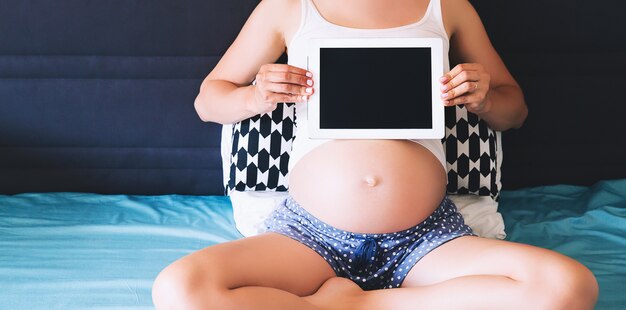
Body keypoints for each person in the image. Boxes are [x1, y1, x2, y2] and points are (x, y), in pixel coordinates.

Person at [152, 0, 599, 309]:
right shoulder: (289, 6)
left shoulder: (446, 6)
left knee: (569, 288)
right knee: (180, 289)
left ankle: (364, 305)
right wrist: (256, 97)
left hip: (427, 238)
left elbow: (513, 111)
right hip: (308, 236)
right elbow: (208, 101)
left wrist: (484, 97)